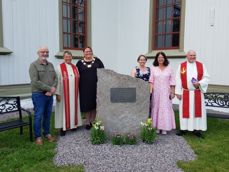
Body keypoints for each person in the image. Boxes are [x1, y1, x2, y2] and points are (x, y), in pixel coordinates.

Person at [175, 50, 210, 138]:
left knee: (196, 111)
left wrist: (200, 83)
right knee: (185, 111)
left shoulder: (201, 65)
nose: (192, 57)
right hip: (185, 92)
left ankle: (197, 129)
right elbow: (178, 79)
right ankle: (183, 129)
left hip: (197, 93)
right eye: (190, 55)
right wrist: (178, 92)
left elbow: (206, 77)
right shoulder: (182, 66)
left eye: (194, 55)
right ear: (187, 56)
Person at [29, 46, 57, 145]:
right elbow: (35, 81)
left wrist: (52, 89)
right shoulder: (34, 65)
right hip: (39, 94)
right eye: (43, 52)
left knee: (48, 115)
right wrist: (50, 89)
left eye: (47, 52)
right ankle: (38, 136)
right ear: (38, 53)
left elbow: (55, 78)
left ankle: (47, 133)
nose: (45, 53)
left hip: (49, 95)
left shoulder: (51, 65)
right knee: (38, 115)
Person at [55, 51, 82, 136]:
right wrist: (57, 93)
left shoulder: (75, 67)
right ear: (63, 57)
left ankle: (73, 124)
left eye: (69, 56)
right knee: (63, 109)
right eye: (66, 56)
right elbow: (56, 81)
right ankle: (63, 127)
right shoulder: (59, 67)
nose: (68, 58)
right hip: (63, 93)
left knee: (74, 108)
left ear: (71, 57)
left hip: (74, 93)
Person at [76, 47, 104, 130]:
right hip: (84, 87)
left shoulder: (97, 61)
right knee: (87, 104)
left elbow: (103, 72)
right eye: (86, 51)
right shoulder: (79, 63)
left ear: (92, 52)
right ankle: (88, 122)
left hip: (96, 86)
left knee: (94, 103)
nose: (88, 52)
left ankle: (93, 121)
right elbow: (76, 74)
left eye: (89, 51)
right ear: (83, 53)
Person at [149, 52, 176, 135]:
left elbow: (172, 81)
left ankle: (165, 128)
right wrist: (151, 90)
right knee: (156, 107)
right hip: (156, 92)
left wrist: (173, 92)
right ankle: (156, 127)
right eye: (159, 57)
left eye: (162, 57)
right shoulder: (153, 68)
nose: (160, 59)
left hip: (166, 92)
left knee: (165, 108)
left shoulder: (169, 68)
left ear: (164, 58)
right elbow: (151, 81)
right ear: (156, 59)